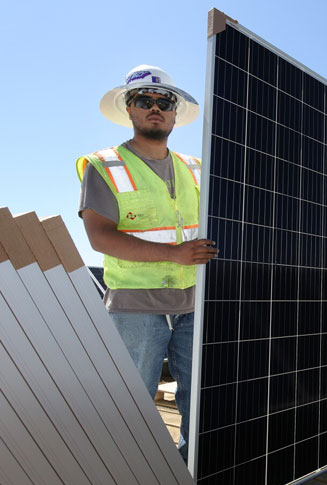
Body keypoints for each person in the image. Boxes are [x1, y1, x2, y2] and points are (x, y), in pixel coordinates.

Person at [76, 65, 218, 462]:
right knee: (132, 403)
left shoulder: (196, 169)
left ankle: (192, 477)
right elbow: (99, 235)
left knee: (200, 398)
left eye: (164, 102)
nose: (155, 108)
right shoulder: (103, 166)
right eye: (144, 100)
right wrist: (173, 254)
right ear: (130, 110)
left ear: (175, 113)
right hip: (135, 308)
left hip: (193, 304)